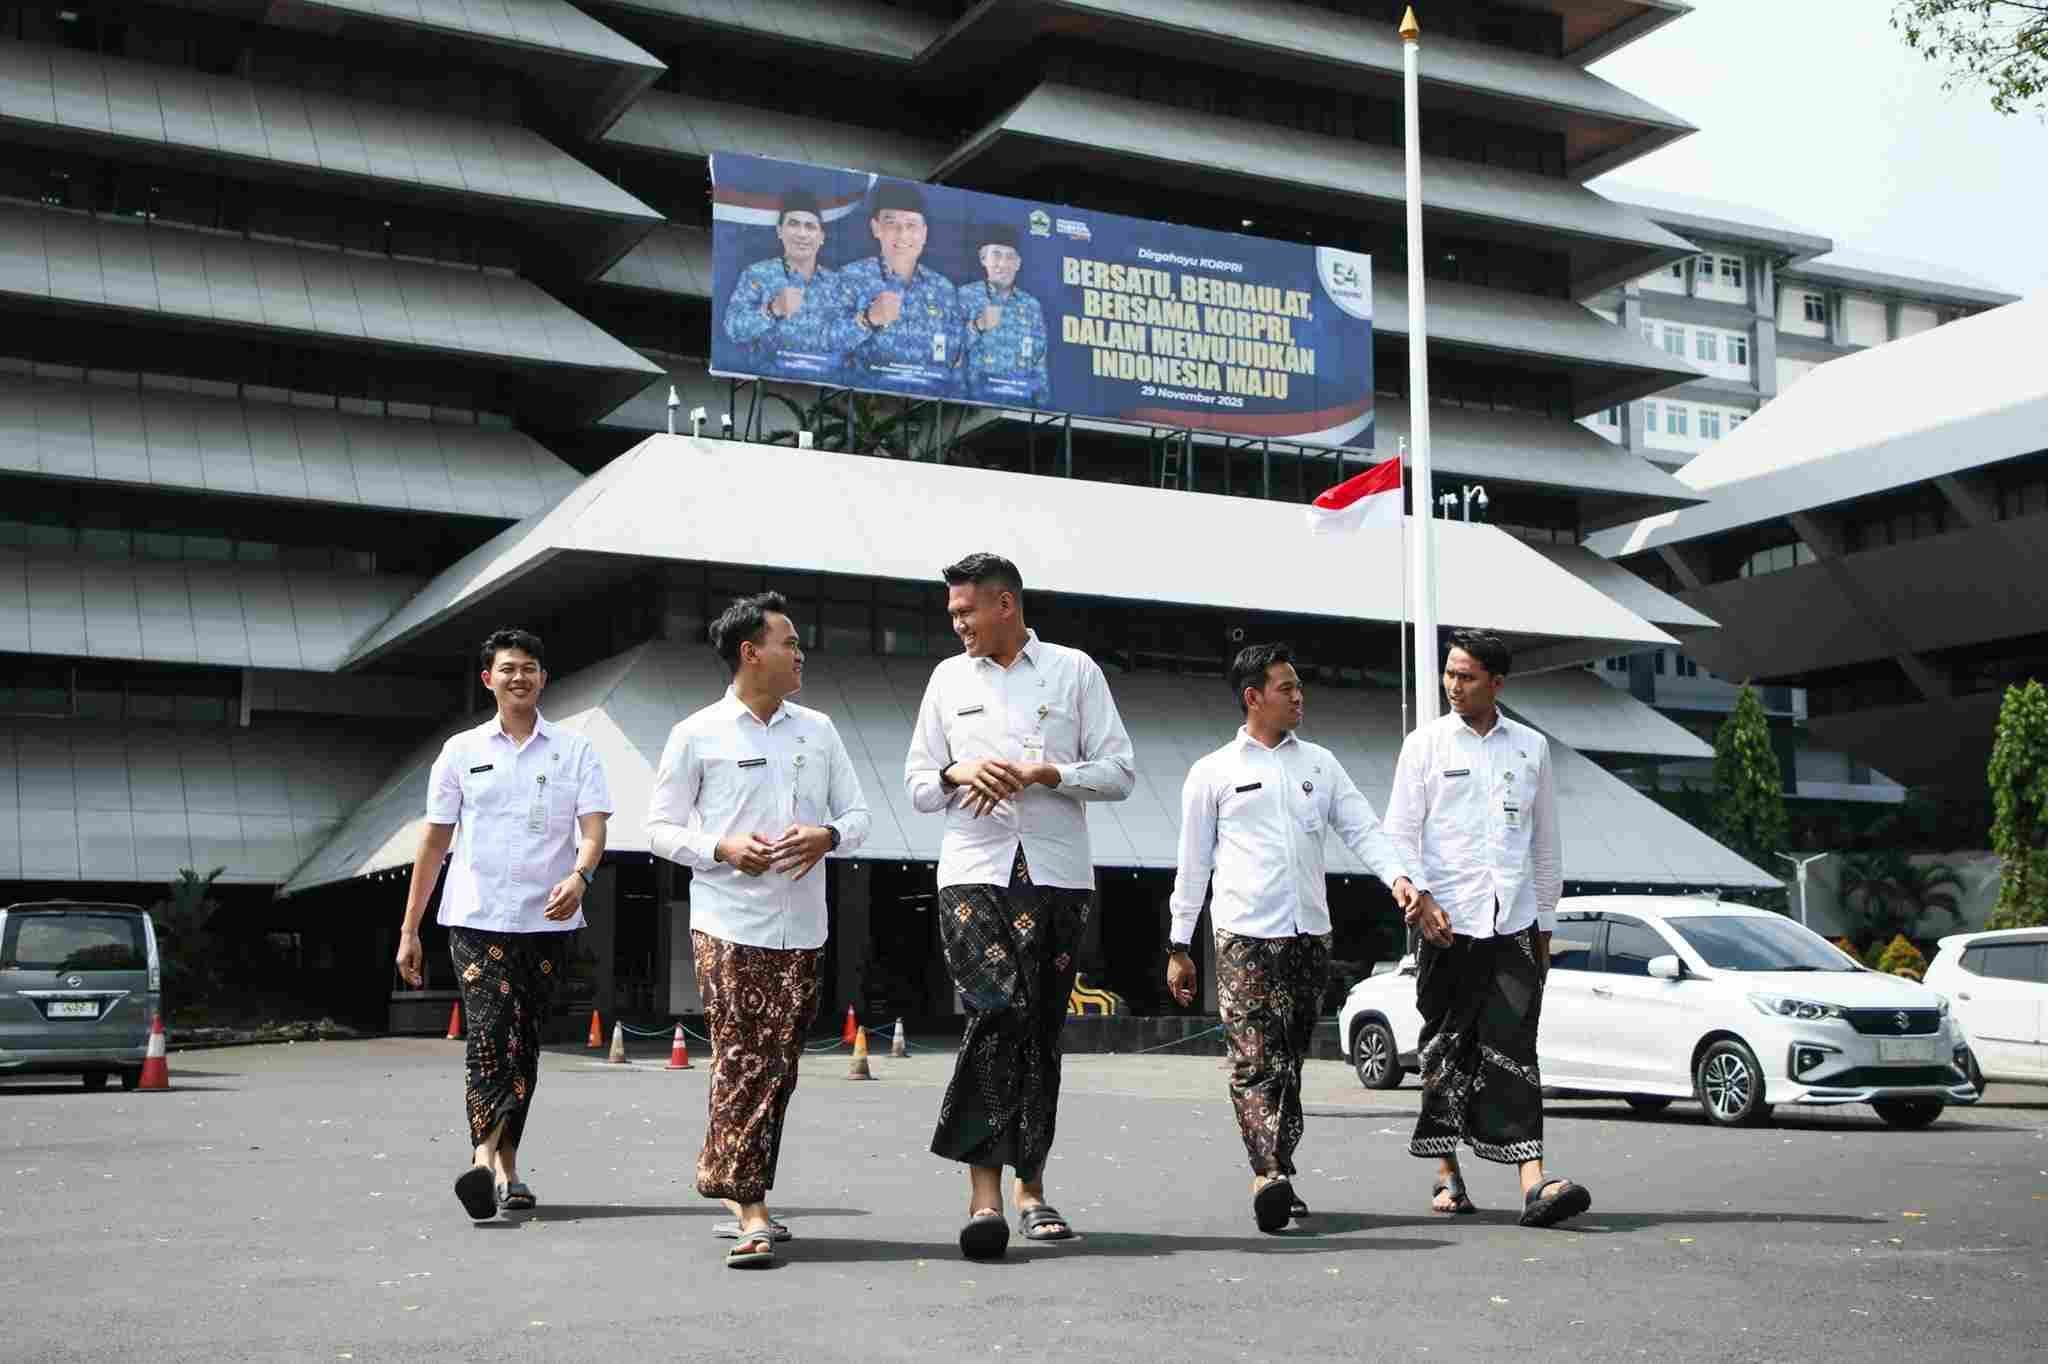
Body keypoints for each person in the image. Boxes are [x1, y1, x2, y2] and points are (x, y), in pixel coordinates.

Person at [1166, 643, 1446, 1232]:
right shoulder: (1212, 773)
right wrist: (1179, 946)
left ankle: (1279, 1168)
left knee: (1289, 1062)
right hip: (1244, 937)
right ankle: (1267, 1173)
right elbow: (1193, 869)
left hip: (1309, 937)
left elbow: (1364, 829)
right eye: (1286, 688)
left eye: (1299, 687)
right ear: (1253, 698)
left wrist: (1400, 878)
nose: (1299, 697)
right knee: (1251, 1061)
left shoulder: (1321, 764)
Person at [903, 552, 1135, 1258]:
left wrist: (1047, 773)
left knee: (1038, 1031)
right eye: (952, 614)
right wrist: (956, 770)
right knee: (994, 1012)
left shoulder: (1075, 672)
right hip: (973, 872)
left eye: (965, 611)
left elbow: (1120, 771)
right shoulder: (946, 679)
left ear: (1006, 605)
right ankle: (983, 1198)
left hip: (1059, 875)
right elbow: (916, 784)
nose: (957, 625)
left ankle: (1032, 1191)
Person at [645, 592, 870, 1269]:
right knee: (742, 1056)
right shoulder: (696, 733)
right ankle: (751, 1211)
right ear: (750, 651)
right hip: (728, 922)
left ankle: (735, 1179)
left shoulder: (820, 731)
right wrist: (722, 848)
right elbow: (657, 829)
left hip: (804, 926)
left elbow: (858, 816)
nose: (800, 652)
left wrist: (828, 835)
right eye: (788, 640)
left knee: (780, 1066)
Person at [396, 628, 612, 1222]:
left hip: (548, 922)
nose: (520, 677)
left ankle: (505, 1170)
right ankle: (483, 1158)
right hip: (476, 919)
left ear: (544, 678)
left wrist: (581, 877)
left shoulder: (575, 751)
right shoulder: (460, 752)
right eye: (508, 668)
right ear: (488, 678)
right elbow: (434, 843)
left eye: (531, 668)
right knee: (491, 1037)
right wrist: (410, 929)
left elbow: (593, 830)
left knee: (525, 1046)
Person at [1383, 629, 1588, 1228]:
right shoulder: (1423, 746)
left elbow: (1545, 844)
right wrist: (1421, 900)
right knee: (1444, 1049)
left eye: (1466, 676)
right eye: (1449, 673)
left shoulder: (1532, 749)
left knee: (1516, 1048)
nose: (1453, 685)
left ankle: (1534, 1182)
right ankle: (1448, 1176)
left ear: (1497, 684)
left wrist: (1545, 925)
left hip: (1515, 924)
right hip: (1446, 928)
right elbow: (1398, 836)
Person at [840, 180, 960, 397]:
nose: (902, 233)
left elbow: (956, 357)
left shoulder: (943, 289)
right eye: (892, 223)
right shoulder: (850, 277)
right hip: (861, 406)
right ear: (876, 228)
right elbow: (824, 345)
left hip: (928, 410)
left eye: (911, 225)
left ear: (924, 233)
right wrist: (868, 319)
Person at [722, 188, 849, 384]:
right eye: (793, 224)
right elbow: (733, 328)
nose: (802, 234)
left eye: (810, 226)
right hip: (770, 381)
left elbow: (850, 340)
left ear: (822, 236)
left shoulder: (837, 283)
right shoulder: (758, 274)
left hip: (824, 383)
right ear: (779, 231)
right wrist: (773, 310)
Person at [956, 223, 1049, 408]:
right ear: (983, 258)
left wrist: (1041, 405)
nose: (1003, 264)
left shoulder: (1031, 305)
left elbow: (1040, 359)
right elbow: (946, 352)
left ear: (1018, 263)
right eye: (996, 254)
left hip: (1020, 405)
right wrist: (978, 326)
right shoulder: (965, 295)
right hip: (975, 405)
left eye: (1010, 257)